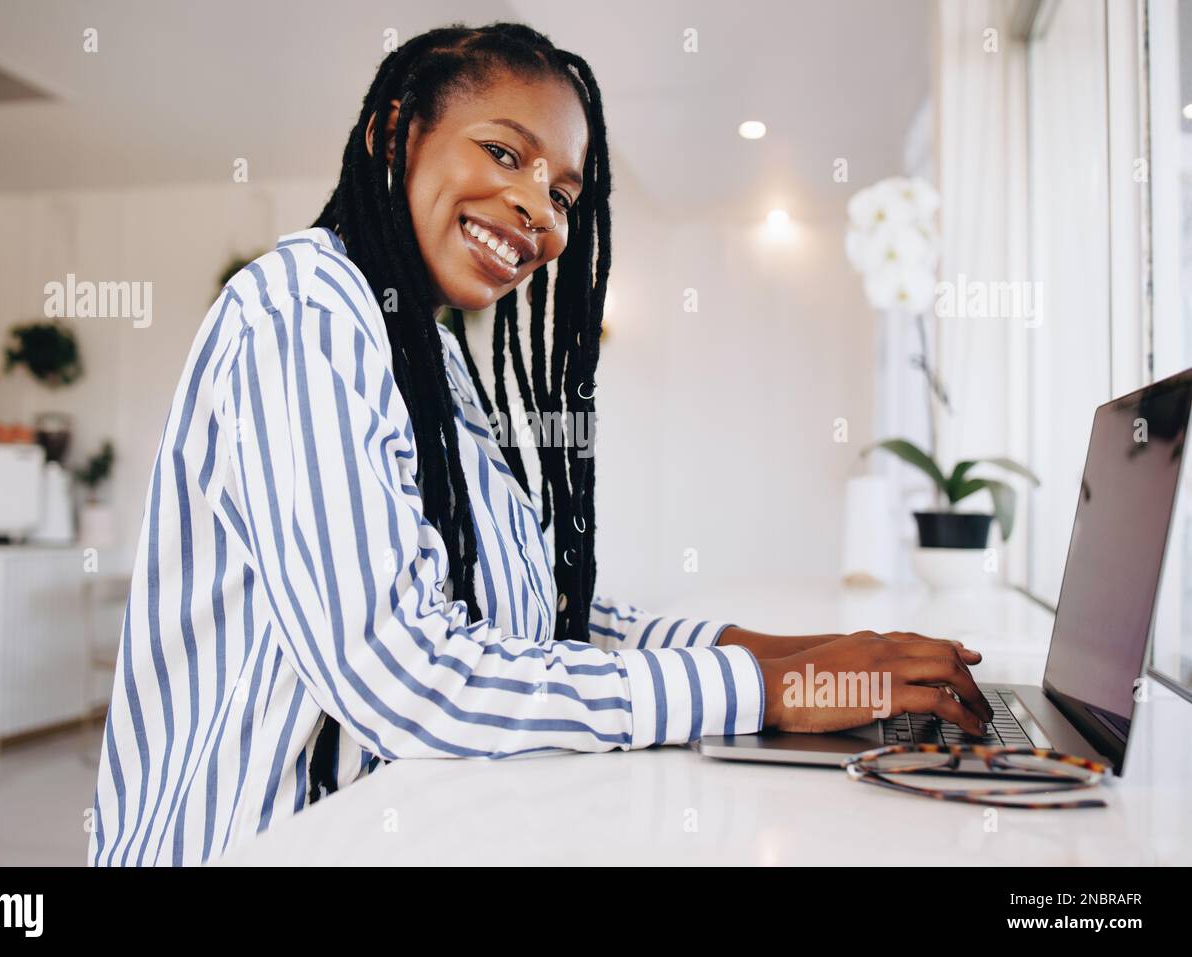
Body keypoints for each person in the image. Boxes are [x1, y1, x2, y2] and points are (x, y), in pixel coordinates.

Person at [90, 21, 991, 867]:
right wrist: (764, 690)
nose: (536, 208)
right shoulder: (301, 312)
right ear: (394, 133)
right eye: (503, 152)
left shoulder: (427, 352)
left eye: (562, 193)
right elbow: (405, 674)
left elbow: (546, 613)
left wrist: (803, 658)